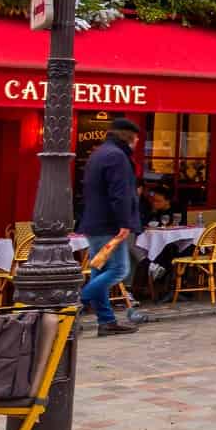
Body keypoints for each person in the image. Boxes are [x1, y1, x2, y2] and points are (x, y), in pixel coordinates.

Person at [79, 118, 142, 336]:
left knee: (100, 272)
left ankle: (106, 321)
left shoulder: (99, 154)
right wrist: (124, 222)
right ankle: (76, 304)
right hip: (109, 224)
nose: (136, 143)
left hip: (95, 221)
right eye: (136, 139)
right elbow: (120, 193)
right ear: (129, 137)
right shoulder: (117, 156)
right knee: (118, 269)